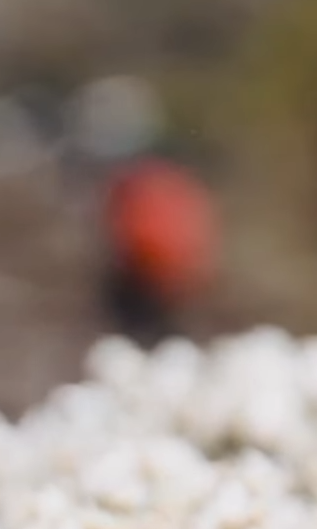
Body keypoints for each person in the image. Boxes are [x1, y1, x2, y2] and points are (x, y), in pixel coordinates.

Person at [66, 74, 219, 345]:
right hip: (167, 288)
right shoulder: (163, 178)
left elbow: (151, 242)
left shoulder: (144, 184)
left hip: (150, 287)